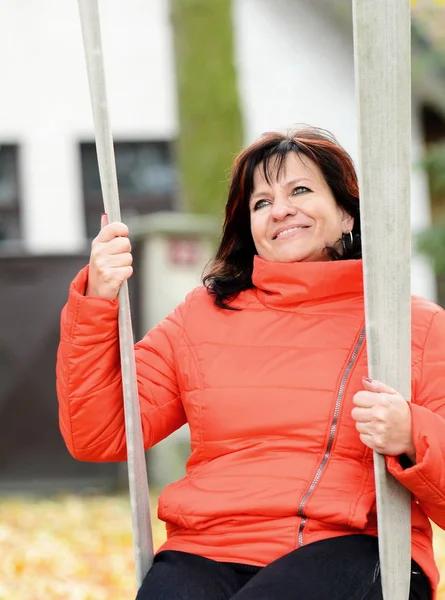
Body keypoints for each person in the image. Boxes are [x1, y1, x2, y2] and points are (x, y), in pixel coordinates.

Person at [56, 128, 444, 600]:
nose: (279, 209)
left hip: (354, 547)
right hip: (207, 547)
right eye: (261, 203)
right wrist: (98, 300)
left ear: (346, 214)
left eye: (300, 190)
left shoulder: (410, 325)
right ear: (251, 231)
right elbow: (101, 433)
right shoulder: (202, 317)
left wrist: (412, 435)